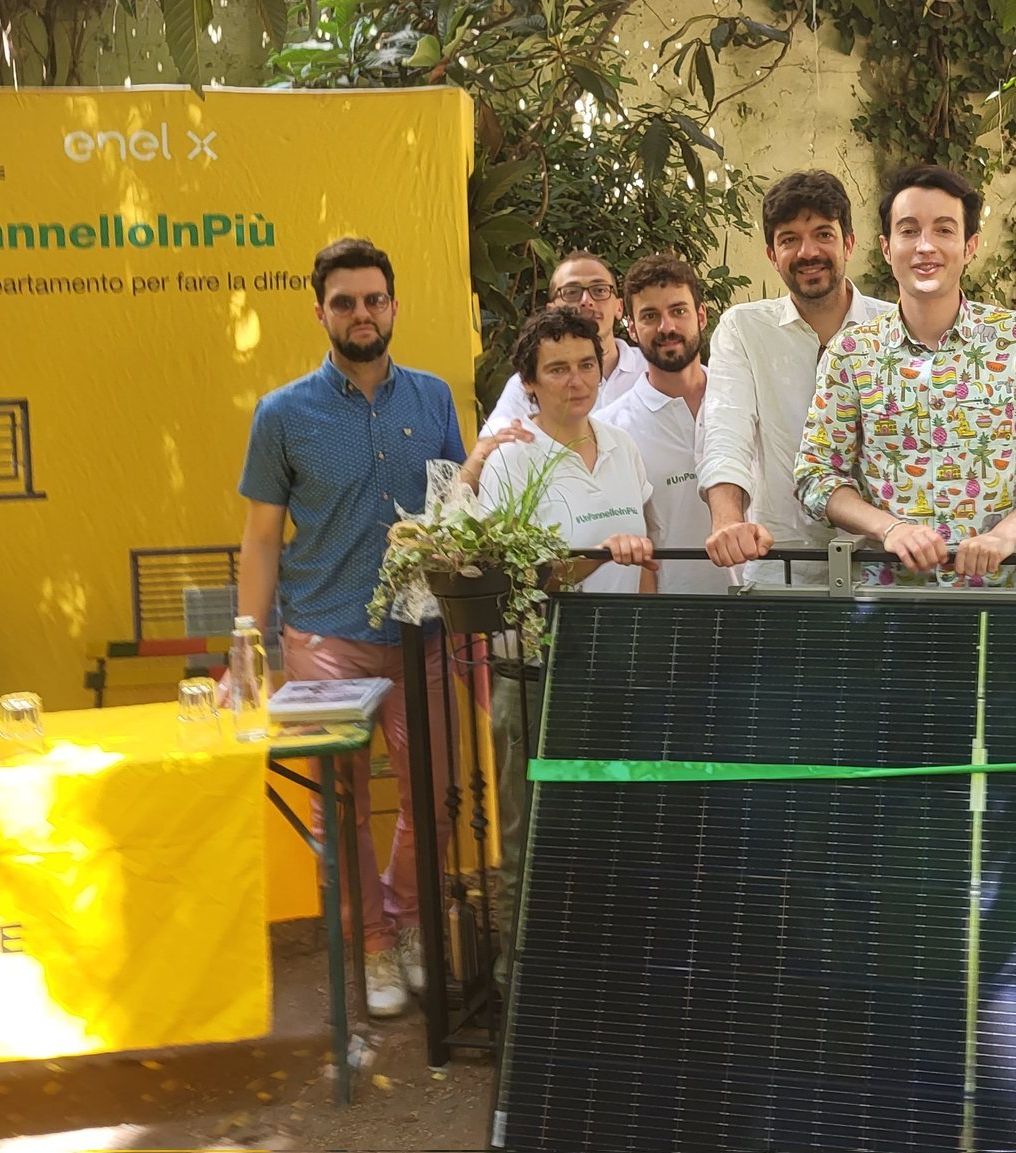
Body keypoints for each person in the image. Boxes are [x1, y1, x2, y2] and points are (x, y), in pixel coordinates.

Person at [237, 237, 523, 1019]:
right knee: (342, 804)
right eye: (344, 302)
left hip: (424, 633)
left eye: (373, 299)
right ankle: (370, 939)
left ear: (393, 306)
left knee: (430, 798)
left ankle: (409, 924)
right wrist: (244, 642)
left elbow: (459, 502)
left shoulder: (433, 398)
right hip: (324, 637)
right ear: (321, 311)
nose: (361, 314)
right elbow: (262, 538)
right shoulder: (282, 414)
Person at [793, 164, 1016, 588]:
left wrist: (1008, 534)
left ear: (970, 246)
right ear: (885, 247)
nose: (925, 246)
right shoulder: (851, 354)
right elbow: (816, 474)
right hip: (887, 600)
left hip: (999, 596)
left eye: (944, 230)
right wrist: (889, 529)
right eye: (909, 231)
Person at [481, 306, 658, 979]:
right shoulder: (508, 458)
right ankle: (521, 990)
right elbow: (512, 580)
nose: (576, 379)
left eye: (586, 363)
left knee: (614, 829)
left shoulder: (622, 445)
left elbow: (644, 557)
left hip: (613, 666)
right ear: (530, 381)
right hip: (534, 670)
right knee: (532, 837)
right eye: (557, 368)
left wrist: (639, 645)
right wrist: (592, 557)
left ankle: (598, 979)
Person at [698, 170, 894, 585]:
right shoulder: (743, 330)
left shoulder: (894, 326)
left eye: (823, 234)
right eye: (789, 239)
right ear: (772, 254)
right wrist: (728, 521)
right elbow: (724, 429)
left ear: (849, 243)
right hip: (778, 563)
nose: (808, 252)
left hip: (884, 567)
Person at [602, 252, 726, 595]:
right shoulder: (610, 430)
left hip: (765, 606)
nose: (666, 327)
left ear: (701, 316)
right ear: (630, 326)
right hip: (675, 621)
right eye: (650, 316)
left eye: (678, 311)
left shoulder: (744, 401)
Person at [480, 251, 648, 435]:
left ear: (619, 307)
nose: (586, 301)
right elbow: (494, 440)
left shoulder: (650, 370)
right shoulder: (531, 382)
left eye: (599, 290)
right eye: (571, 292)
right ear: (552, 310)